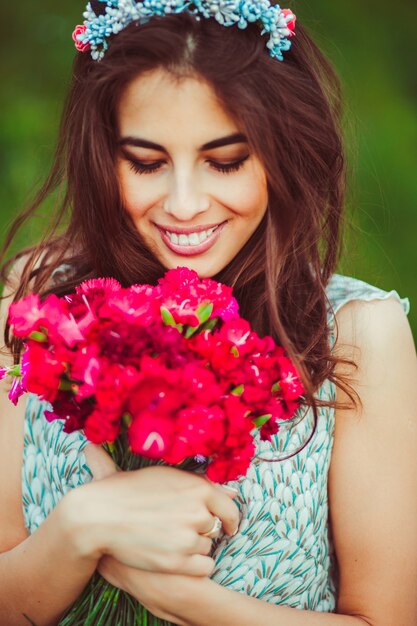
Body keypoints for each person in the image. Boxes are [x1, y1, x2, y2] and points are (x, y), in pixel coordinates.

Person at [1, 1, 416, 624]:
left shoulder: (359, 334)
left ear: (283, 155)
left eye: (226, 161)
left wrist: (178, 595)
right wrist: (80, 528)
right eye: (145, 162)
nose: (186, 204)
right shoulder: (38, 298)